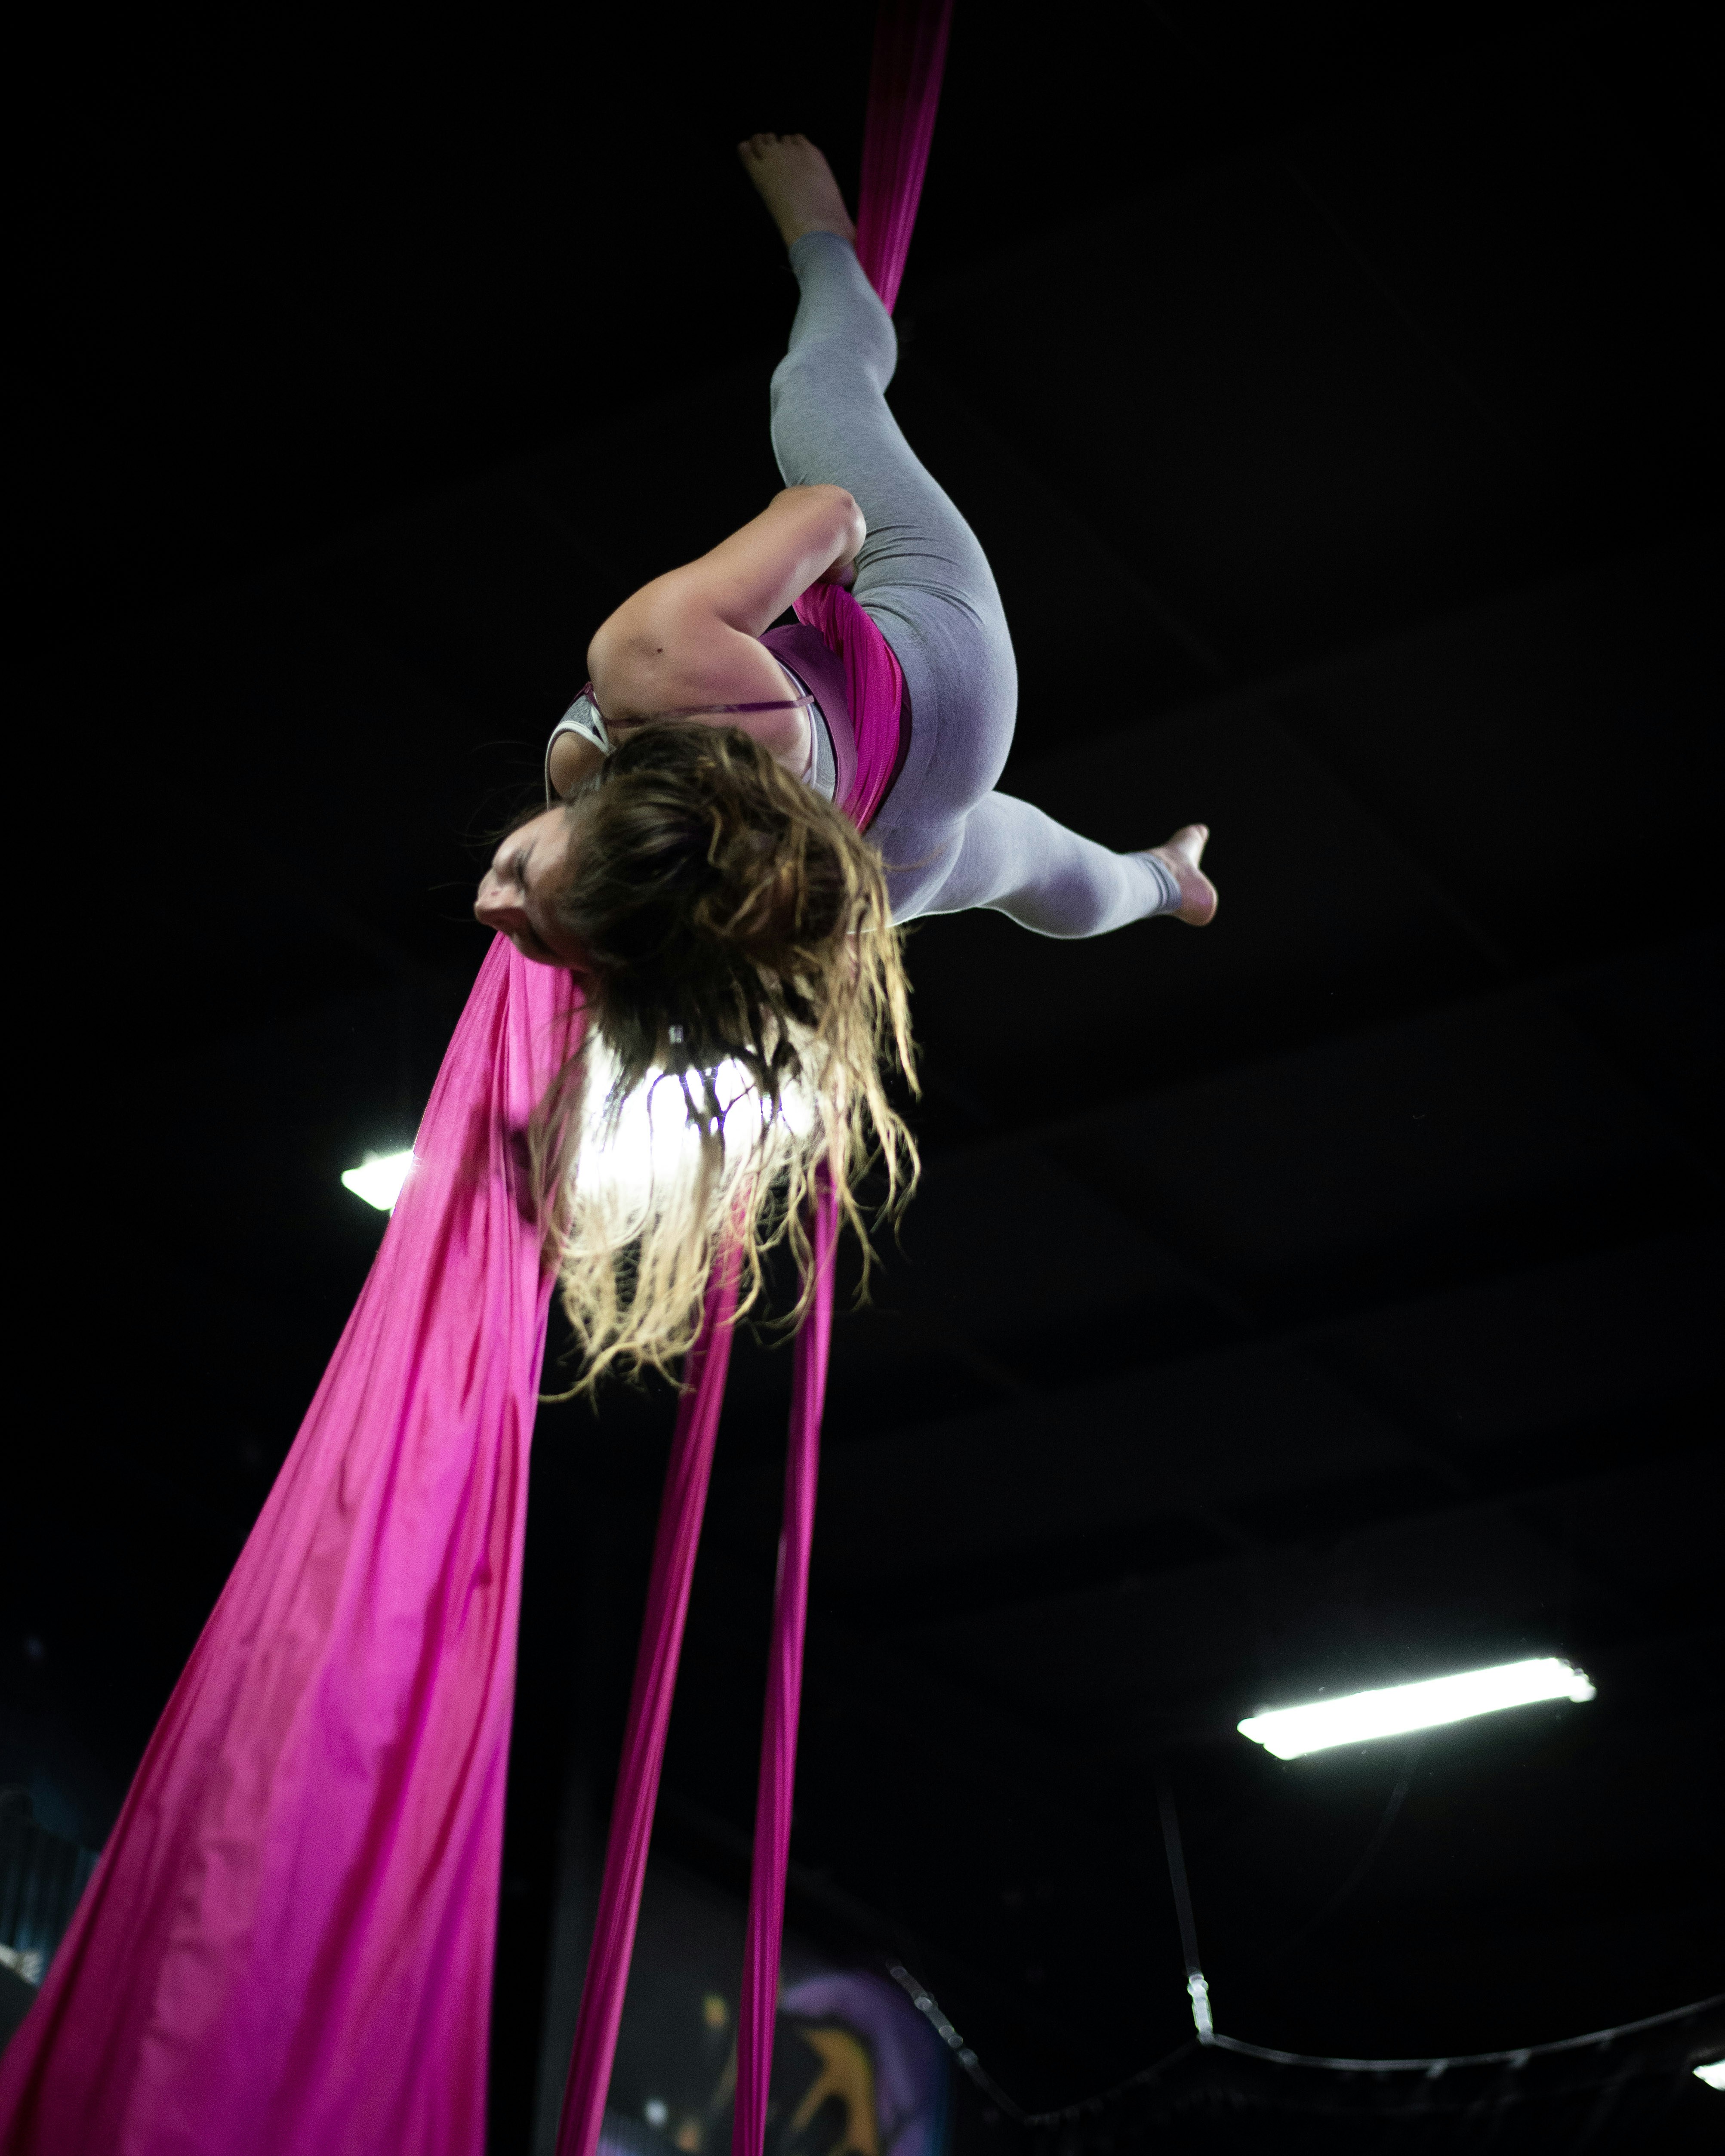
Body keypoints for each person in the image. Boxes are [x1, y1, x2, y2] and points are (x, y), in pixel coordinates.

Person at [473, 134, 1217, 1382]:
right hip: (940, 679)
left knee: (1042, 872)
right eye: (534, 908)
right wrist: (802, 631)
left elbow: (667, 1023)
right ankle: (825, 240)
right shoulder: (648, 664)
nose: (495, 907)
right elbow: (830, 516)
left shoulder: (732, 915)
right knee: (814, 404)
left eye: (527, 921)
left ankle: (1169, 878)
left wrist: (545, 1145)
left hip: (881, 849)